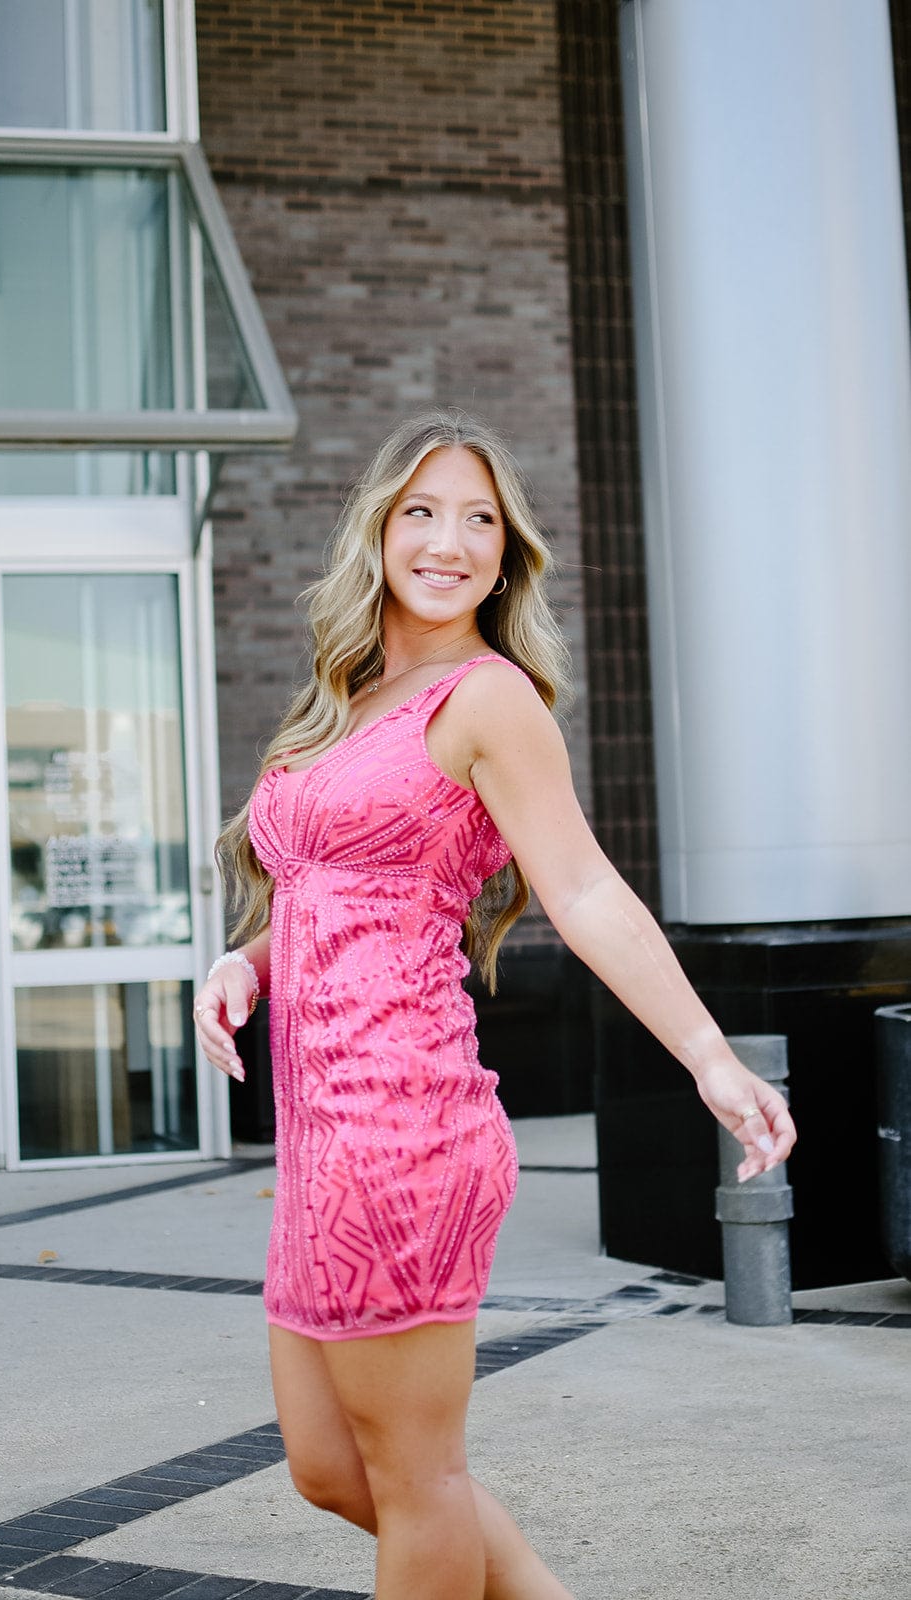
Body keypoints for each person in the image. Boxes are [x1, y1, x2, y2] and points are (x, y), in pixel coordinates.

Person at [193, 411, 797, 1600]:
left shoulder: (487, 698)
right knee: (329, 1470)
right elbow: (328, 886)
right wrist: (246, 962)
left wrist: (710, 1060)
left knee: (416, 1481)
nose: (448, 540)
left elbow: (580, 887)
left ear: (505, 551)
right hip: (319, 1139)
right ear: (376, 527)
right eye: (421, 510)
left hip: (405, 1125)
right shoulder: (347, 696)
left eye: (478, 519)